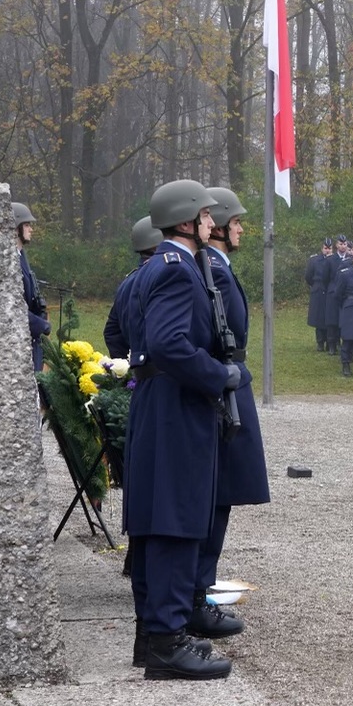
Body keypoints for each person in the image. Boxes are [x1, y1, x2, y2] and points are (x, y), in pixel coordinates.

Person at [125, 179, 235, 679]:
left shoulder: (158, 269)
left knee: (156, 520)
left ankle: (152, 636)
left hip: (158, 401)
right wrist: (221, 375)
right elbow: (169, 344)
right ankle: (167, 644)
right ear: (188, 222)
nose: (214, 224)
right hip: (177, 404)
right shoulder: (176, 271)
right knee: (175, 519)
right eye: (208, 216)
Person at [195, 187, 270, 639]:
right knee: (218, 490)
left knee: (221, 490)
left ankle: (199, 583)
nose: (241, 228)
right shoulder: (214, 270)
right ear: (219, 226)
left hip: (231, 374)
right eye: (235, 222)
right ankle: (198, 588)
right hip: (225, 377)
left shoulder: (218, 266)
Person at [104, 216, 162, 358]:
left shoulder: (127, 282)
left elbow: (111, 331)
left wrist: (125, 365)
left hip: (137, 369)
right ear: (158, 244)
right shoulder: (160, 278)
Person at [13, 202, 51, 371]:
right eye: (27, 225)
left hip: (31, 337)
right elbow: (14, 306)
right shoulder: (12, 261)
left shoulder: (21, 256)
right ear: (16, 228)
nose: (31, 229)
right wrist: (41, 325)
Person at [306, 238, 333, 352]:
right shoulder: (314, 260)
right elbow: (308, 276)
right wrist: (315, 286)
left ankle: (330, 341)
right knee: (318, 317)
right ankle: (320, 342)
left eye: (330, 248)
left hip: (329, 290)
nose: (327, 251)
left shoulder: (334, 260)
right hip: (318, 289)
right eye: (326, 248)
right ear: (322, 248)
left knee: (329, 317)